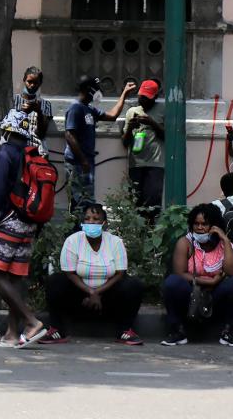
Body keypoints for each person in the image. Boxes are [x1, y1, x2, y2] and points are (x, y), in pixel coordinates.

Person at [0, 109, 47, 348]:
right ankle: (11, 333)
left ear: (8, 131)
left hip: (6, 221)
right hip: (28, 223)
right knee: (15, 276)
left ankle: (31, 322)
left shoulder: (5, 153)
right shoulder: (34, 154)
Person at [40, 202, 145, 346]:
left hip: (108, 297)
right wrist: (90, 292)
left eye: (96, 219)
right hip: (79, 295)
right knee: (55, 281)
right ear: (82, 222)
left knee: (134, 285)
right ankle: (56, 330)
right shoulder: (73, 241)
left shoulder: (115, 242)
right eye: (87, 219)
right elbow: (69, 273)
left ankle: (125, 331)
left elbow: (120, 273)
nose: (91, 222)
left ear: (104, 223)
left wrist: (98, 293)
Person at [160, 203, 233, 348]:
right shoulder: (185, 242)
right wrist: (208, 282)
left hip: (215, 296)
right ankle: (176, 331)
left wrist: (225, 240)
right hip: (190, 294)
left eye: (205, 224)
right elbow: (179, 273)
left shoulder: (223, 244)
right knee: (172, 282)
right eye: (196, 224)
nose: (200, 228)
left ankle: (230, 332)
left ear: (215, 226)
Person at [64, 75, 137, 211]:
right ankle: (76, 230)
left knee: (87, 200)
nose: (98, 93)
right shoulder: (76, 108)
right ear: (87, 89)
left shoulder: (89, 109)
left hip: (87, 162)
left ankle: (85, 228)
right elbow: (69, 135)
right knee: (79, 201)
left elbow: (112, 116)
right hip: (77, 164)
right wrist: (83, 160)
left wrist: (124, 94)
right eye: (96, 89)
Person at [121, 78, 165, 223]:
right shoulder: (132, 112)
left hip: (155, 164)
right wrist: (130, 129)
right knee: (136, 204)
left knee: (153, 205)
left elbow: (169, 137)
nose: (142, 100)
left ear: (155, 97)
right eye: (141, 96)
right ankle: (138, 237)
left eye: (146, 98)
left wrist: (151, 123)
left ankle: (151, 233)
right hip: (136, 165)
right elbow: (124, 142)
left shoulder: (163, 110)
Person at [11, 66, 54, 155]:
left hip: (38, 152)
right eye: (29, 82)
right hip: (18, 150)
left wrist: (39, 112)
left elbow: (41, 134)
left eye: (36, 83)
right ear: (24, 80)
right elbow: (10, 129)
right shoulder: (14, 101)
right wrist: (22, 113)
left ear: (40, 83)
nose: (32, 86)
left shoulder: (46, 105)